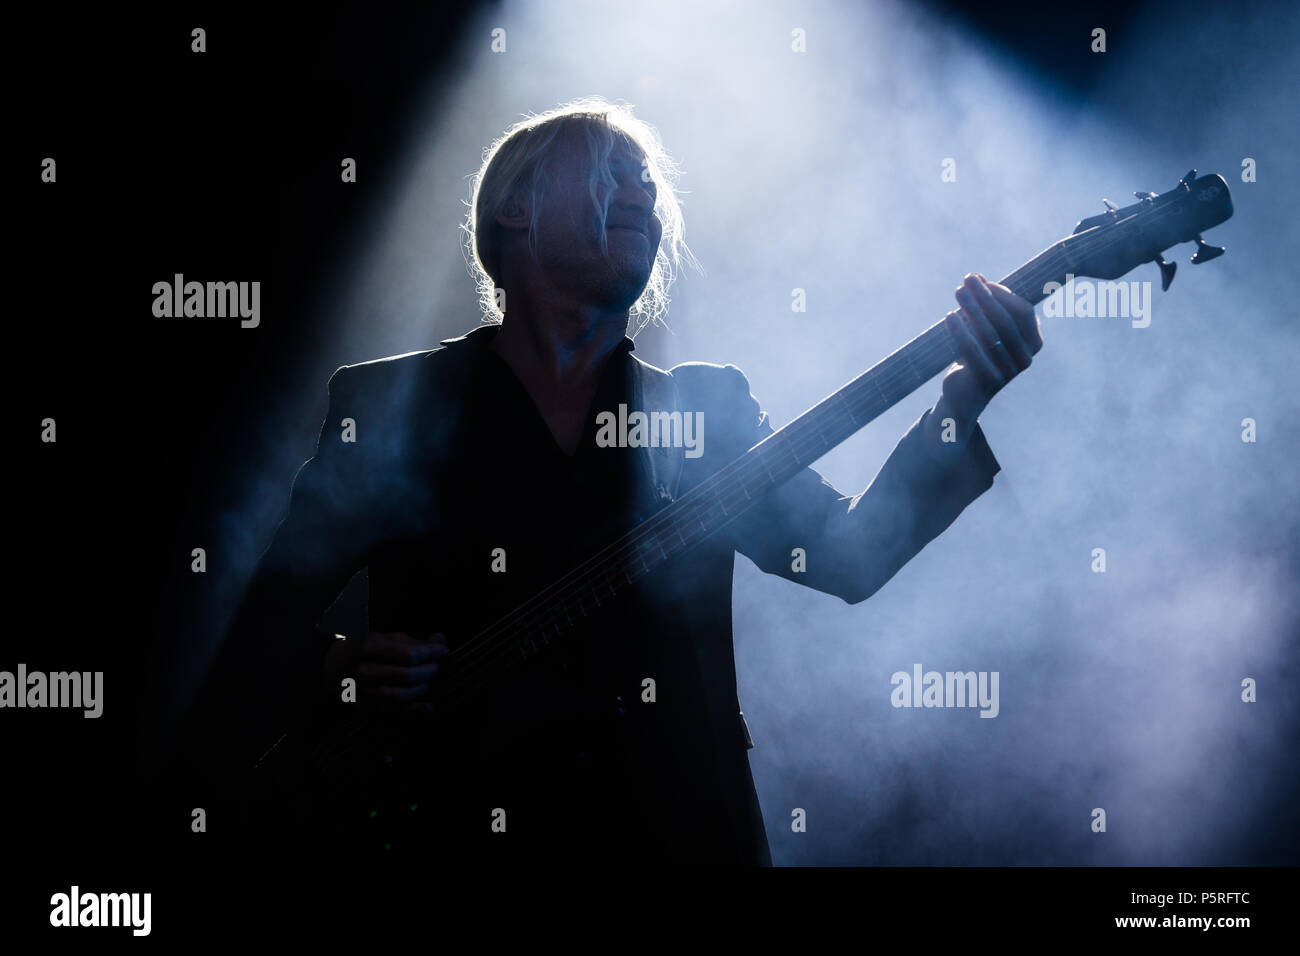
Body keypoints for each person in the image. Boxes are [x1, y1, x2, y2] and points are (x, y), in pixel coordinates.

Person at [193, 97, 1042, 867]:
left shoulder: (708, 411)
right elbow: (252, 637)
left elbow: (851, 554)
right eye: (607, 170)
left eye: (647, 181)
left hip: (671, 842)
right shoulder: (389, 405)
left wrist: (958, 404)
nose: (640, 188)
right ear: (513, 210)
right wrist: (344, 670)